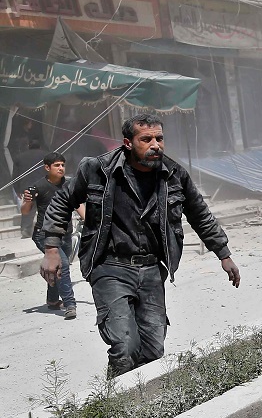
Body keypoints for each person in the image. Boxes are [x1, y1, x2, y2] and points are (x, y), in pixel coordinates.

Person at [41, 114, 241, 377]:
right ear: (128, 143)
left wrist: (223, 254)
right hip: (109, 266)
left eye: (159, 138)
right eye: (146, 139)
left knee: (153, 350)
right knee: (124, 346)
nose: (155, 144)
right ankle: (116, 403)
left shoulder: (174, 175)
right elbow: (62, 202)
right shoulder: (97, 169)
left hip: (150, 269)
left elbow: (200, 214)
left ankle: (146, 407)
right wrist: (52, 248)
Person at [21, 152, 83, 319]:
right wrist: (27, 200)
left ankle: (53, 300)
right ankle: (70, 304)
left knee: (57, 267)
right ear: (47, 168)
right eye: (57, 165)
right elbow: (25, 212)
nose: (61, 168)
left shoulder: (69, 183)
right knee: (62, 265)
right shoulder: (39, 187)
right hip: (44, 234)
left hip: (66, 233)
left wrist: (92, 223)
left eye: (62, 165)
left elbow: (78, 205)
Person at [13, 138, 44, 238]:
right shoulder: (46, 156)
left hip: (27, 187)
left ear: (28, 146)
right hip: (43, 186)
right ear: (40, 147)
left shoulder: (19, 157)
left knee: (29, 207)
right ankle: (46, 229)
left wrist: (17, 189)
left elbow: (15, 175)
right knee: (45, 207)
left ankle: (26, 230)